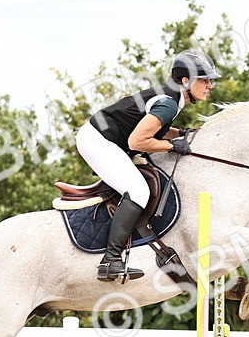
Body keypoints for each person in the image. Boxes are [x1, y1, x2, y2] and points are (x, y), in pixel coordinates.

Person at [75, 49, 221, 281]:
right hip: (97, 141)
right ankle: (110, 260)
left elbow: (154, 126)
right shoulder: (169, 103)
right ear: (185, 80)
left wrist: (180, 133)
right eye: (204, 80)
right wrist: (171, 146)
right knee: (138, 191)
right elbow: (137, 141)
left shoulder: (172, 99)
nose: (210, 86)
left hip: (104, 137)